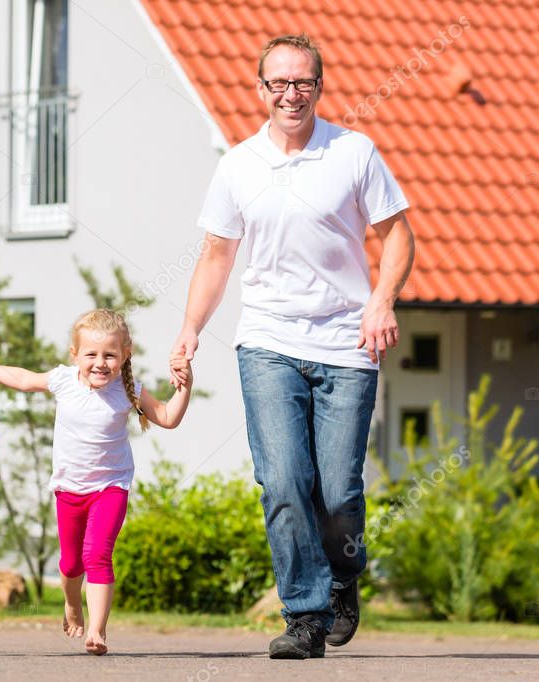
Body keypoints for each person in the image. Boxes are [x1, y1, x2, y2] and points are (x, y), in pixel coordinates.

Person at [169, 34, 415, 659]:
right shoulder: (238, 164)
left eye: (302, 82)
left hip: (346, 341)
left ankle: (342, 577)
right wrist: (192, 325)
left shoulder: (353, 152)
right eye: (278, 83)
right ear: (261, 90)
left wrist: (381, 299)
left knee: (337, 492)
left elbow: (397, 236)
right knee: (282, 478)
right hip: (269, 340)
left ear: (319, 87)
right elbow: (217, 254)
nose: (290, 93)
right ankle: (304, 615)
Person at [0, 309, 192, 655]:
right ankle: (72, 604)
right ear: (74, 355)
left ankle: (97, 630)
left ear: (125, 354)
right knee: (71, 563)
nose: (100, 363)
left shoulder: (128, 390)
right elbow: (23, 379)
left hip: (110, 489)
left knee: (97, 554)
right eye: (91, 354)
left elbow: (167, 417)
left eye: (110, 355)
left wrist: (185, 386)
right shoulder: (63, 380)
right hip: (69, 490)